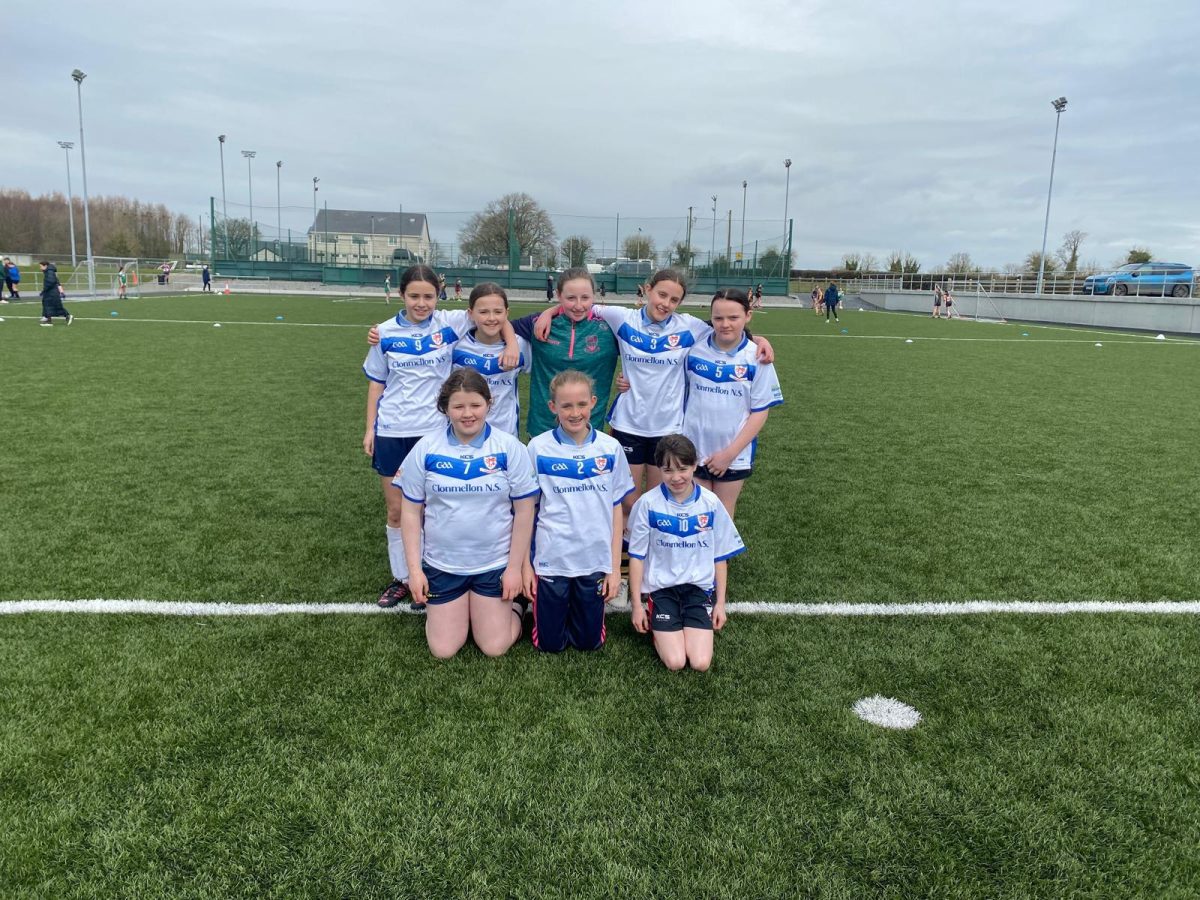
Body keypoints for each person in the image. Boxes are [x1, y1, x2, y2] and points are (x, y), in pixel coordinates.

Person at [535, 269, 774, 531]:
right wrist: (549, 312)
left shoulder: (689, 327)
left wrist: (759, 340)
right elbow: (582, 306)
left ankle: (651, 550)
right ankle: (623, 550)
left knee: (659, 500)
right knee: (628, 501)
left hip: (668, 428)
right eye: (661, 294)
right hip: (628, 425)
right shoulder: (622, 318)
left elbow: (726, 329)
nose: (665, 303)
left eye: (674, 300)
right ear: (647, 290)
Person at [362, 265, 520, 610]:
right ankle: (402, 578)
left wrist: (510, 342)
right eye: (414, 296)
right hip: (393, 431)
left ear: (439, 296)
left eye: (428, 296)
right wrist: (370, 427)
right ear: (401, 295)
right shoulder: (384, 333)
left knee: (431, 509)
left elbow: (494, 315)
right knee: (396, 510)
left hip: (434, 431)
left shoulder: (450, 323)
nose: (421, 303)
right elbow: (376, 383)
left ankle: (429, 574)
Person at [397, 369, 538, 659]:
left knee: (494, 647)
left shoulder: (509, 447)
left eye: (475, 405)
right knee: (443, 649)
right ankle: (457, 612)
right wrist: (415, 571)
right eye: (458, 406)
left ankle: (515, 606)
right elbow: (410, 512)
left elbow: (525, 511)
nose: (468, 414)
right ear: (445, 408)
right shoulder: (426, 448)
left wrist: (514, 569)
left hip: (494, 564)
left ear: (488, 403)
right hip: (443, 565)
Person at [524, 370, 635, 652]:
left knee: (589, 643)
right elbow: (527, 511)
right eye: (566, 406)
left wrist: (613, 570)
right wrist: (526, 565)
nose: (575, 413)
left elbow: (616, 512)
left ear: (593, 402)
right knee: (550, 645)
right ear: (553, 407)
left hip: (593, 559)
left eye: (582, 404)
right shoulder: (538, 448)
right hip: (552, 557)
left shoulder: (610, 448)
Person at [628, 434, 744, 672]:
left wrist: (720, 604)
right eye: (668, 470)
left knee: (700, 663)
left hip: (697, 590)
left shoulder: (711, 503)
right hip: (662, 590)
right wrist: (637, 606)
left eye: (682, 468)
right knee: (676, 662)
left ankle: (683, 624)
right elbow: (637, 557)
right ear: (659, 469)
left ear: (694, 465)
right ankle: (657, 621)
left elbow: (719, 557)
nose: (676, 477)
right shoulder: (648, 504)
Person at [684, 289, 783, 519]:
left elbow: (760, 412)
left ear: (748, 316)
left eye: (733, 317)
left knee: (722, 517)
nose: (725, 324)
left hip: (733, 455)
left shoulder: (757, 357)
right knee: (695, 513)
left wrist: (729, 454)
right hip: (693, 449)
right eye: (718, 318)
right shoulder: (694, 349)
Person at [450, 282, 531, 435]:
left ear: (506, 313)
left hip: (505, 434)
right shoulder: (457, 345)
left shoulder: (520, 345)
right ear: (470, 314)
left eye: (498, 312)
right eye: (483, 312)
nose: (491, 318)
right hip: (464, 433)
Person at [38, 262, 72, 326]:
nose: (40, 268)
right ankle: (48, 319)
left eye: (41, 266)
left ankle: (68, 316)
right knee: (46, 305)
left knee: (55, 306)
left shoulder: (49, 272)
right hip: (50, 292)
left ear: (45, 266)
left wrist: (44, 290)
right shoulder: (49, 272)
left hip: (52, 292)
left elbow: (51, 282)